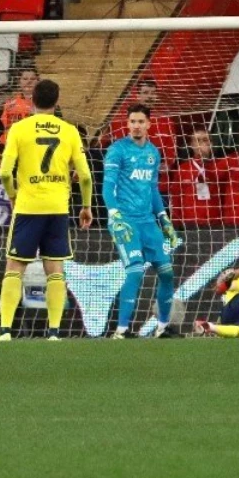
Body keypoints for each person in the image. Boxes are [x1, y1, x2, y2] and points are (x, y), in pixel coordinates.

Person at [0, 79, 94, 340]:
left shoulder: (19, 129)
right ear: (57, 100)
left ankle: (5, 330)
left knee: (14, 267)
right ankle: (53, 332)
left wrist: (13, 195)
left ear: (32, 100)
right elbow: (85, 176)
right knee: (55, 271)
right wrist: (86, 206)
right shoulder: (70, 131)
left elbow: (5, 172)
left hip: (28, 206)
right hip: (57, 208)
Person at [102, 104, 180, 338]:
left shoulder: (153, 153)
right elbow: (107, 186)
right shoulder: (117, 150)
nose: (136, 126)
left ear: (149, 124)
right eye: (132, 122)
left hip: (148, 222)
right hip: (125, 221)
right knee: (135, 271)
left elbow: (153, 189)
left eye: (140, 122)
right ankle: (121, 330)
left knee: (166, 272)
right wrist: (114, 215)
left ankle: (162, 328)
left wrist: (163, 218)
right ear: (128, 124)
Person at [168, 128, 222, 226]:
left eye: (205, 140)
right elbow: (175, 199)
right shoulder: (182, 169)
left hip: (215, 224)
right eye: (198, 140)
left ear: (211, 144)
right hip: (190, 224)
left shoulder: (220, 167)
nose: (201, 144)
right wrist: (176, 225)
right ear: (191, 145)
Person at [1, 67, 40, 136]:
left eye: (33, 79)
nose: (29, 82)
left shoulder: (47, 103)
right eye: (25, 79)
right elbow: (0, 127)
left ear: (38, 81)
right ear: (19, 82)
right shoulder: (8, 103)